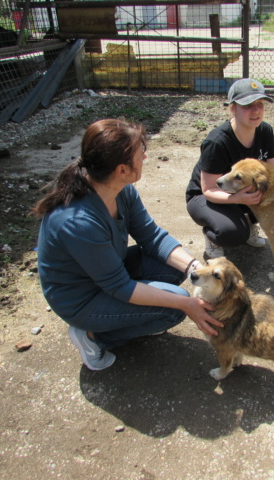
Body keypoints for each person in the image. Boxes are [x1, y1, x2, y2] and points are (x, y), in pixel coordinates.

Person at [32, 118, 221, 371]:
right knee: (173, 308)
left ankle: (133, 318)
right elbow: (119, 286)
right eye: (139, 152)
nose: (145, 156)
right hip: (82, 298)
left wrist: (194, 267)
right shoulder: (77, 222)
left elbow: (151, 236)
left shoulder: (121, 190)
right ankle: (93, 337)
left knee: (178, 269)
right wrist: (185, 305)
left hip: (109, 272)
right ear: (121, 170)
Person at [185, 78, 274, 259]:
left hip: (240, 191)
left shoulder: (265, 131)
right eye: (247, 105)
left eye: (260, 104)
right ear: (232, 108)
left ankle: (251, 223)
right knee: (232, 234)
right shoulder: (217, 141)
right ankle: (212, 235)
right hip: (206, 196)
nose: (256, 110)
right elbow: (208, 189)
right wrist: (238, 198)